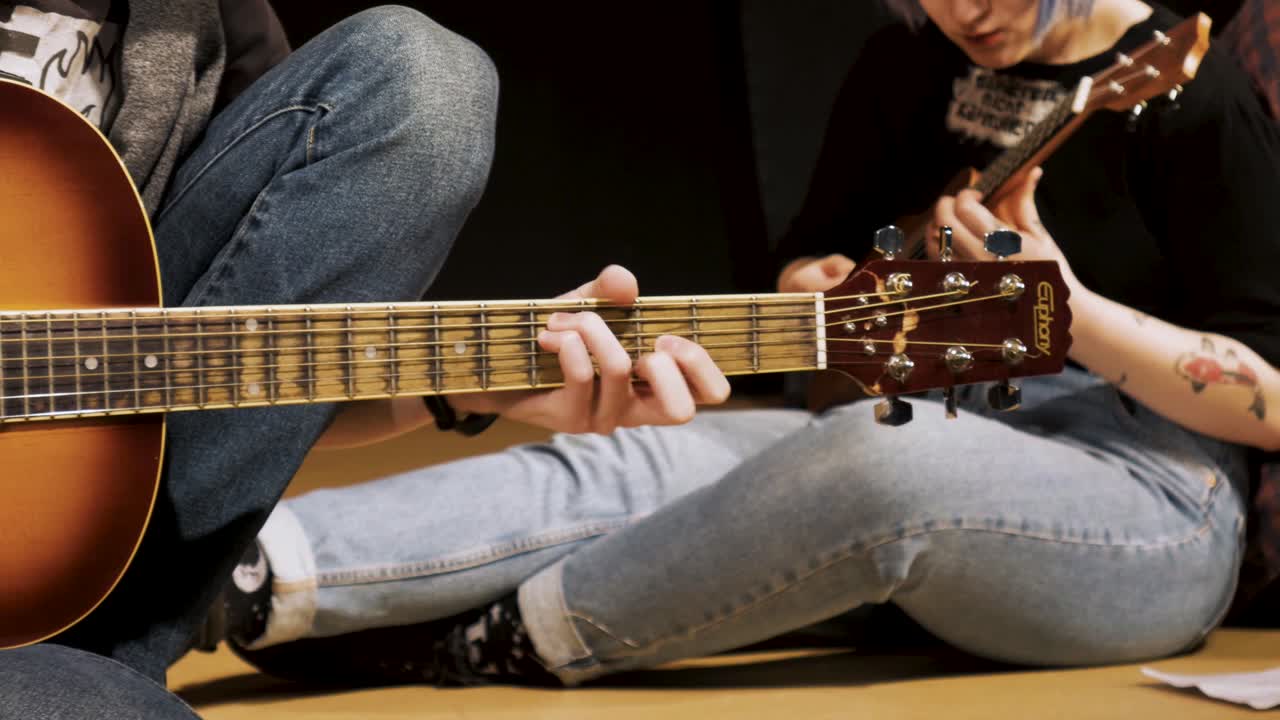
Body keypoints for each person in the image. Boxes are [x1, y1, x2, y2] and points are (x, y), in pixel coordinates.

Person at [197, 0, 1280, 691]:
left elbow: (1271, 400)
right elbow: (813, 268)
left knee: (871, 462)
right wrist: (811, 287)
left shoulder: (1187, 102)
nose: (961, 10)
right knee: (653, 453)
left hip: (1148, 502)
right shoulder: (908, 63)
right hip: (910, 426)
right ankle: (246, 576)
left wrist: (1065, 313)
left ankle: (500, 637)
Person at [0, 2, 727, 716]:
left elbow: (221, 394)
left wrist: (468, 389)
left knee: (418, 77)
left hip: (70, 585)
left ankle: (102, 660)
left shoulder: (197, 15)